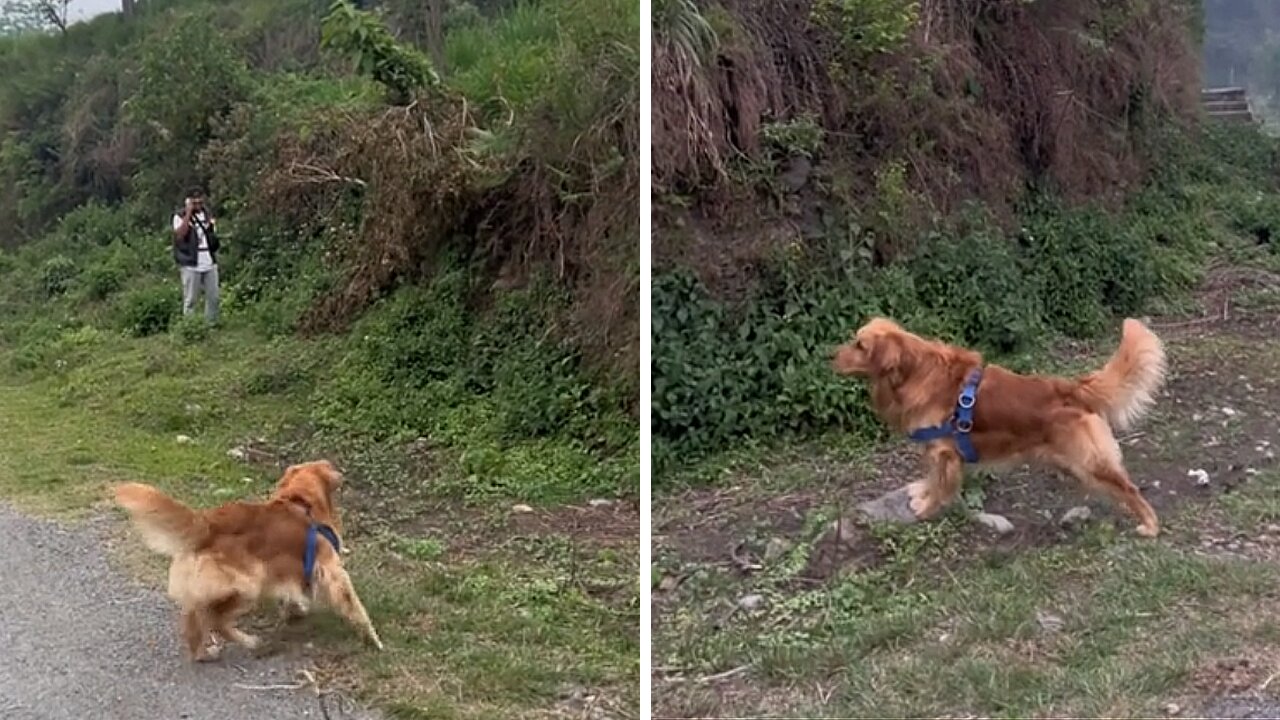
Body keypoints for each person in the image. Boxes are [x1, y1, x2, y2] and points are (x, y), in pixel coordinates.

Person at [172, 188, 220, 324]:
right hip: (191, 262)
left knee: (214, 297)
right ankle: (190, 326)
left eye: (200, 201)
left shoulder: (207, 214)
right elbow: (180, 235)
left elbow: (212, 234)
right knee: (191, 299)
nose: (198, 204)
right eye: (194, 202)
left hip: (209, 260)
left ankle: (211, 324)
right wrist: (188, 213)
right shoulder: (179, 216)